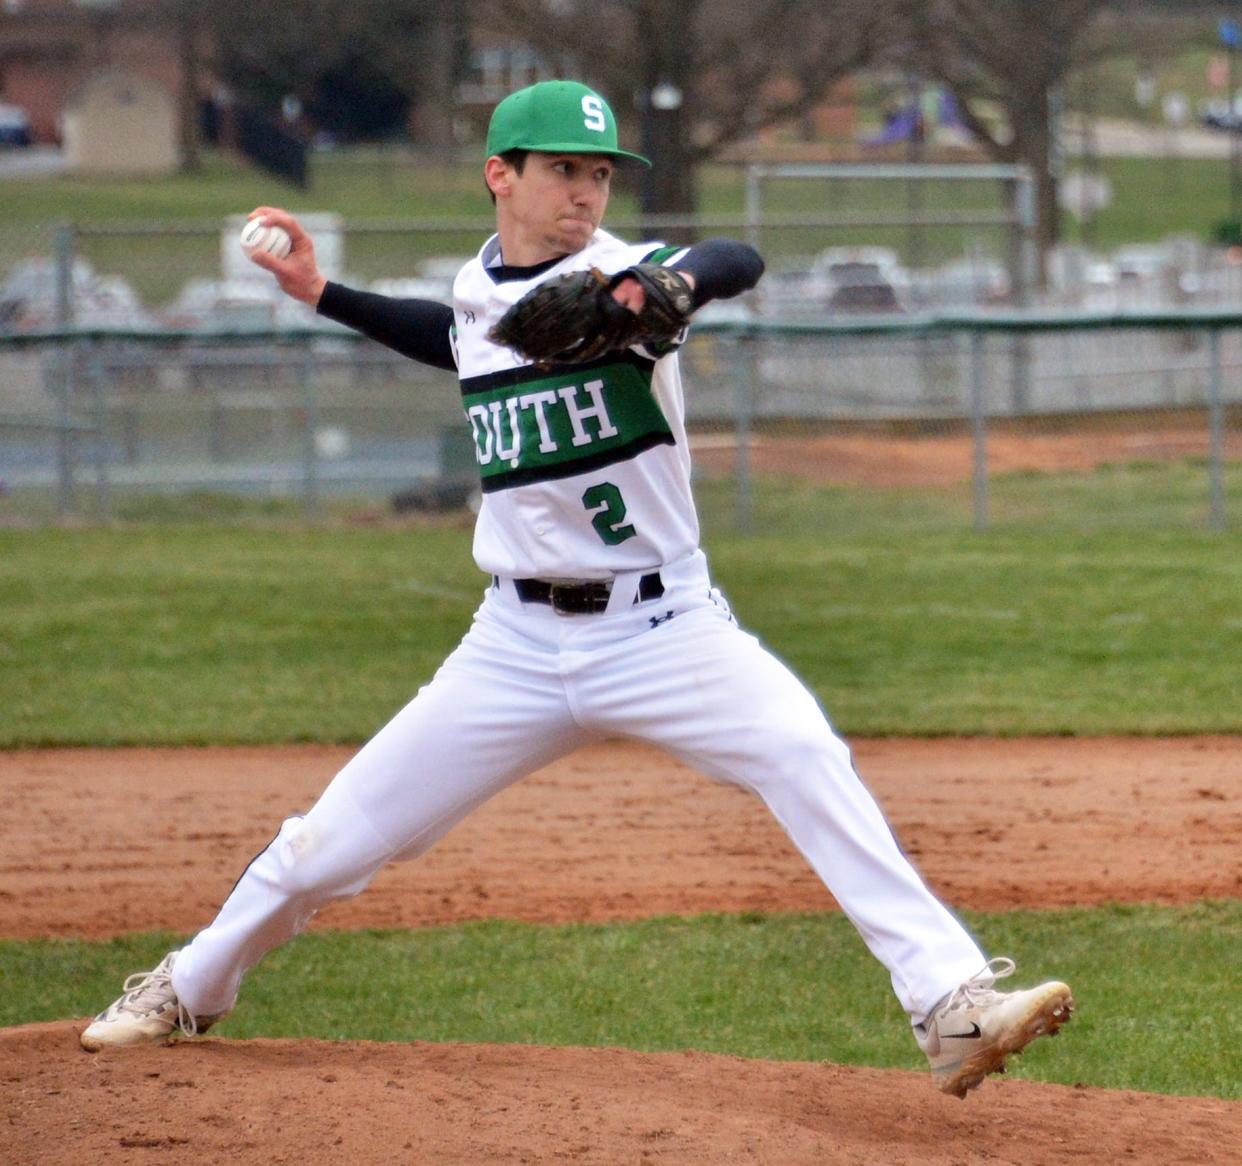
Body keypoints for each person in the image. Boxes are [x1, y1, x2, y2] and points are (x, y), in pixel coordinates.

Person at [80, 80, 1072, 1098]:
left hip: (665, 625)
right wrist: (321, 294)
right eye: (563, 170)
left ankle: (950, 1002)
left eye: (598, 174)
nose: (585, 193)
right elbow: (456, 337)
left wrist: (666, 284)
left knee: (802, 751)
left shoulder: (619, 285)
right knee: (330, 839)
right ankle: (188, 986)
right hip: (510, 643)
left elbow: (737, 258)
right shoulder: (482, 290)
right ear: (499, 176)